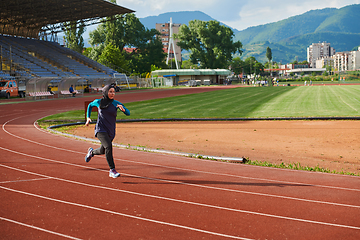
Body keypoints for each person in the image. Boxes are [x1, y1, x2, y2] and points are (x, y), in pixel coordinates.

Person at [84, 84, 130, 178]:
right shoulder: (98, 102)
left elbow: (128, 113)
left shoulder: (116, 103)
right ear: (105, 92)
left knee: (103, 150)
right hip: (100, 129)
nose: (112, 93)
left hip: (111, 131)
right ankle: (112, 170)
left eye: (113, 92)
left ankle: (91, 152)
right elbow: (90, 105)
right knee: (108, 146)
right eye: (110, 92)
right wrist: (88, 118)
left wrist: (124, 110)